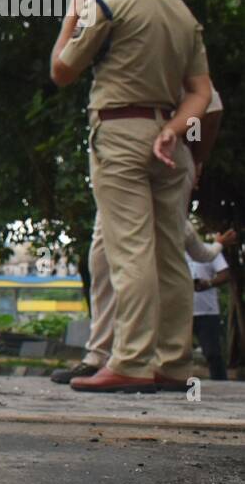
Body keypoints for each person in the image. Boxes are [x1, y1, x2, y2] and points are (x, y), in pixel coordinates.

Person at [50, 0, 213, 392]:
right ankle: (173, 363)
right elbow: (200, 91)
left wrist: (68, 23)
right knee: (169, 253)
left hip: (120, 132)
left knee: (129, 249)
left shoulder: (111, 4)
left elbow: (62, 72)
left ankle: (131, 361)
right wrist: (174, 130)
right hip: (169, 137)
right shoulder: (181, 12)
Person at [53, 86, 225, 385]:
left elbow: (206, 109)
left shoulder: (179, 48)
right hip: (123, 150)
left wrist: (195, 156)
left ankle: (153, 360)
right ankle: (102, 355)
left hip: (166, 155)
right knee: (104, 256)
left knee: (159, 254)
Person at [186, 225, 234, 381]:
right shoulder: (173, 251)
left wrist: (208, 283)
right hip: (181, 311)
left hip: (207, 310)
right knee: (176, 352)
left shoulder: (208, 249)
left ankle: (221, 385)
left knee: (213, 353)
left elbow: (225, 273)